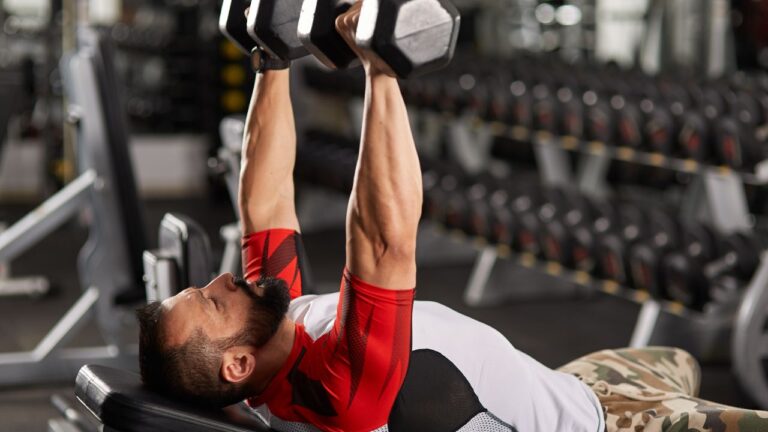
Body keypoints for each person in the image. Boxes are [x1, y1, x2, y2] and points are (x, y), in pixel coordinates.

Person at [136, 3, 768, 431]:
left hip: (580, 382)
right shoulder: (337, 392)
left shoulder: (276, 337)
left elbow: (265, 199)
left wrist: (270, 60)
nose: (223, 281)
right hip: (613, 425)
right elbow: (382, 241)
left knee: (675, 357)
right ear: (235, 365)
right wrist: (382, 71)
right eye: (212, 302)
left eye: (205, 287)